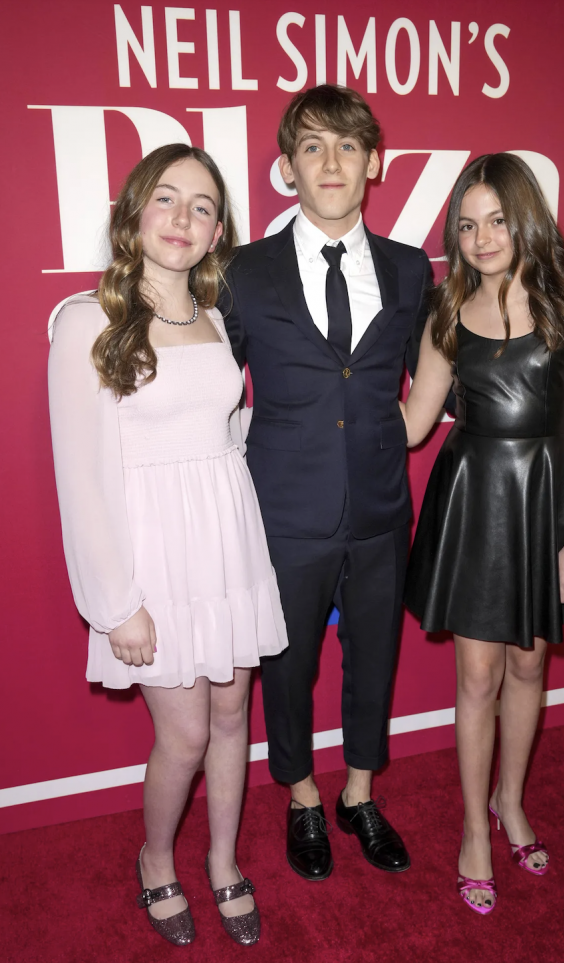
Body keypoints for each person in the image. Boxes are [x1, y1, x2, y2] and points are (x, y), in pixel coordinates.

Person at [222, 87, 564, 881]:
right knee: (286, 666)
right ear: (287, 167)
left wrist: (561, 414)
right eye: (312, 146)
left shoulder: (408, 269)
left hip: (385, 506)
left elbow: (461, 374)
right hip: (282, 511)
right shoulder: (243, 272)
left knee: (374, 658)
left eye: (348, 146)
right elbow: (207, 383)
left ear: (374, 163)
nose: (331, 162)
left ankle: (359, 791)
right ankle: (302, 795)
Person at [48, 144, 288, 946]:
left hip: (226, 542)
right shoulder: (86, 320)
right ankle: (156, 859)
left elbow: (223, 432)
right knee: (184, 734)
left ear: (218, 233)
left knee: (232, 716)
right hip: (153, 558)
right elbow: (80, 475)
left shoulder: (215, 317)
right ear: (133, 212)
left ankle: (222, 860)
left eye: (203, 206)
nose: (183, 217)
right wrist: (115, 602)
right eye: (167, 198)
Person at [401, 153, 564, 914]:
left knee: (529, 668)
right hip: (474, 505)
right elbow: (414, 423)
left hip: (548, 507)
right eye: (466, 226)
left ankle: (510, 801)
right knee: (477, 678)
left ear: (527, 220)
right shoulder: (444, 312)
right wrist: (340, 390)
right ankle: (474, 830)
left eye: (497, 220)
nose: (482, 238)